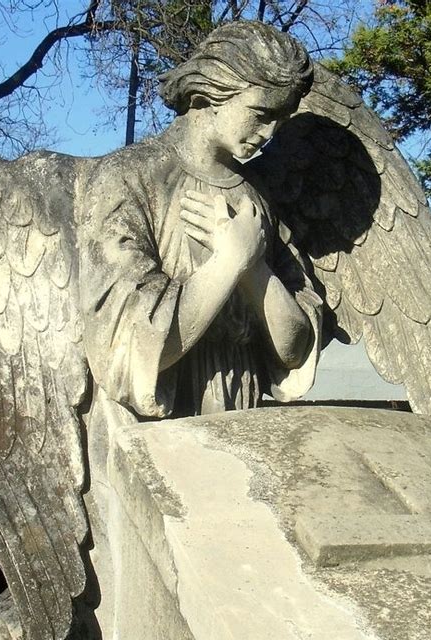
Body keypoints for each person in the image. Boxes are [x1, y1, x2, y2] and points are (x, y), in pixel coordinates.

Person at [78, 21, 322, 424]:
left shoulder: (258, 199)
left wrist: (254, 268)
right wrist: (230, 262)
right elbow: (137, 347)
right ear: (213, 90)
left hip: (242, 411)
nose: (270, 133)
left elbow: (294, 348)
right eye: (262, 114)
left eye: (281, 119)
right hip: (161, 417)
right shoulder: (127, 179)